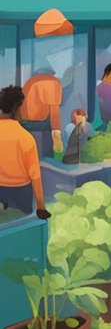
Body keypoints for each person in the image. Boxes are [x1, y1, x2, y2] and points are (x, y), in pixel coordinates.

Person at [0, 87, 49, 218]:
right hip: (20, 192)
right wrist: (41, 207)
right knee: (20, 226)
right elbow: (35, 175)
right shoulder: (25, 137)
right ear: (17, 110)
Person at [19, 69, 63, 158]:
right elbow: (54, 113)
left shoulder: (31, 81)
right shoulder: (53, 83)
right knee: (51, 127)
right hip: (34, 122)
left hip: (22, 122)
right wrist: (57, 136)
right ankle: (49, 158)